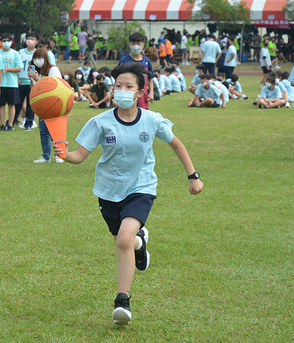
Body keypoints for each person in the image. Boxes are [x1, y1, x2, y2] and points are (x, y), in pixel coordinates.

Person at [53, 62, 203, 325]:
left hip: (141, 189)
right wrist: (64, 154)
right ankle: (139, 243)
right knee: (124, 242)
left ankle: (122, 300)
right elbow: (79, 156)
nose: (121, 90)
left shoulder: (152, 119)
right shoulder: (100, 122)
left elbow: (177, 145)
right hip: (108, 192)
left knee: (123, 240)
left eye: (128, 86)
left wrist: (193, 176)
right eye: (118, 85)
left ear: (139, 92)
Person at [29, 48, 63, 164]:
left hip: (54, 103)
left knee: (55, 130)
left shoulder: (53, 70)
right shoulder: (37, 73)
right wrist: (33, 80)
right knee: (44, 131)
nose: (38, 61)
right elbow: (36, 90)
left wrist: (38, 79)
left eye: (40, 58)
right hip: (42, 105)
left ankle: (59, 155)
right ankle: (46, 156)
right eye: (35, 58)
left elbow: (54, 87)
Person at [118, 32, 154, 109]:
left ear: (143, 45)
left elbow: (150, 79)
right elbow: (118, 80)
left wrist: (151, 92)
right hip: (128, 95)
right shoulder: (124, 61)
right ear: (129, 45)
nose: (136, 46)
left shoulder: (147, 61)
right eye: (133, 44)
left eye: (138, 44)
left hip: (143, 96)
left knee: (143, 115)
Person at [0, 33, 22, 131]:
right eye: (4, 41)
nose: (6, 42)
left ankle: (10, 124)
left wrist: (8, 69)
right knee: (1, 105)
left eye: (8, 40)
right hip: (0, 83)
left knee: (12, 104)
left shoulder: (15, 54)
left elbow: (19, 68)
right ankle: (2, 124)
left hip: (12, 83)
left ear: (12, 42)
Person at [14, 32, 38, 130]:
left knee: (30, 104)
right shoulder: (20, 52)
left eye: (32, 39)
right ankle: (14, 120)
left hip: (32, 82)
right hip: (21, 81)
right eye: (28, 38)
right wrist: (17, 78)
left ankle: (29, 123)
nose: (29, 41)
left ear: (36, 42)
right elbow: (16, 65)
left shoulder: (37, 53)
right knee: (17, 103)